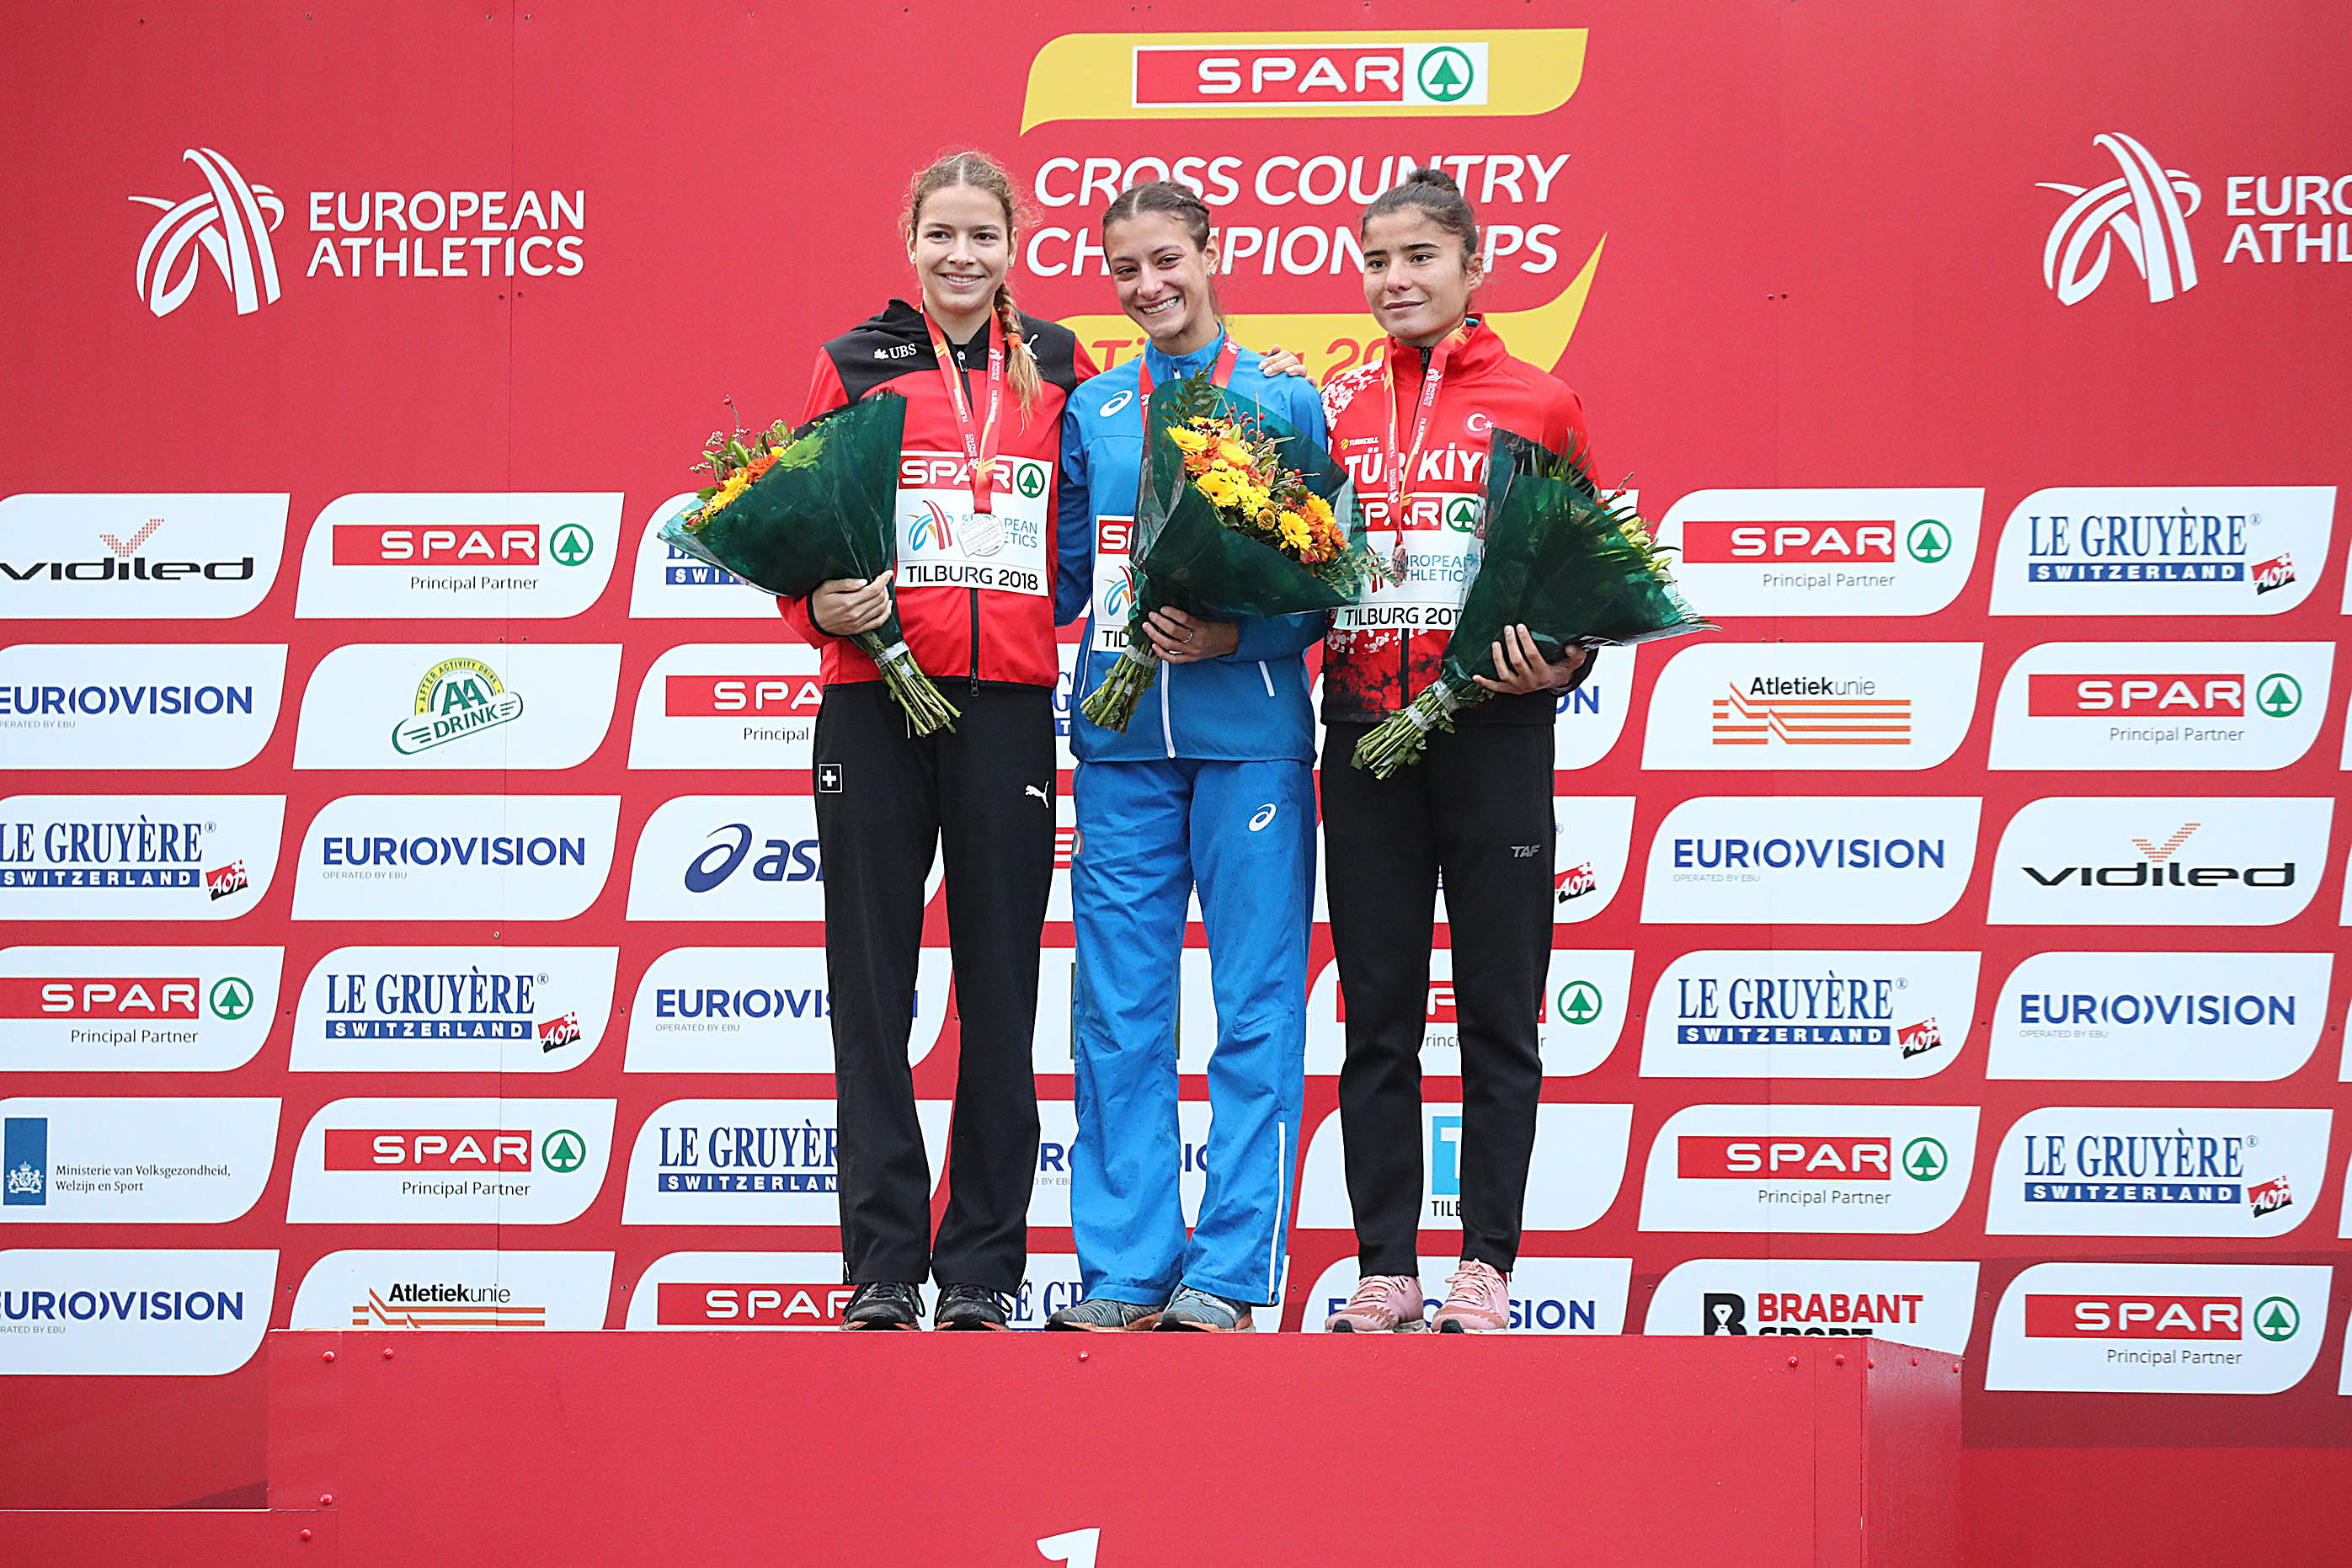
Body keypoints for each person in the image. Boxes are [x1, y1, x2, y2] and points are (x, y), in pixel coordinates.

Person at [779, 151, 1097, 1331]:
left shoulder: (1056, 360)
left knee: (1001, 991)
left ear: (1014, 245)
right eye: (941, 235)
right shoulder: (852, 360)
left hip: (1004, 706)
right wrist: (819, 607)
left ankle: (980, 1270)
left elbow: (1083, 527)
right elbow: (803, 525)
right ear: (907, 241)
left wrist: (1050, 604)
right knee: (870, 990)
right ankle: (880, 1265)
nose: (961, 257)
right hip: (873, 697)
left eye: (982, 236)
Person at [1314, 168, 1597, 1334]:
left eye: (1419, 256)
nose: (1395, 279)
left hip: (1493, 733)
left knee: (1497, 1008)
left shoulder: (1541, 401)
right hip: (1361, 730)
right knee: (1376, 1012)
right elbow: (1295, 558)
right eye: (1376, 260)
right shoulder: (1329, 402)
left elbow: (1583, 580)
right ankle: (1385, 1265)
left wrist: (1562, 662)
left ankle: (1485, 1266)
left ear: (1473, 267)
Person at [1046, 181, 1327, 1333]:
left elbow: (1325, 581)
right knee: (1119, 1008)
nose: (1149, 285)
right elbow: (1058, 578)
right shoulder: (1094, 408)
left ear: (1211, 254)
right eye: (1126, 269)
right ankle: (1124, 1269)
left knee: (1255, 1006)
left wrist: (1233, 637)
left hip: (1250, 740)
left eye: (1167, 259)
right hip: (1120, 748)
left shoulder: (1282, 396)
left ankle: (1229, 1272)